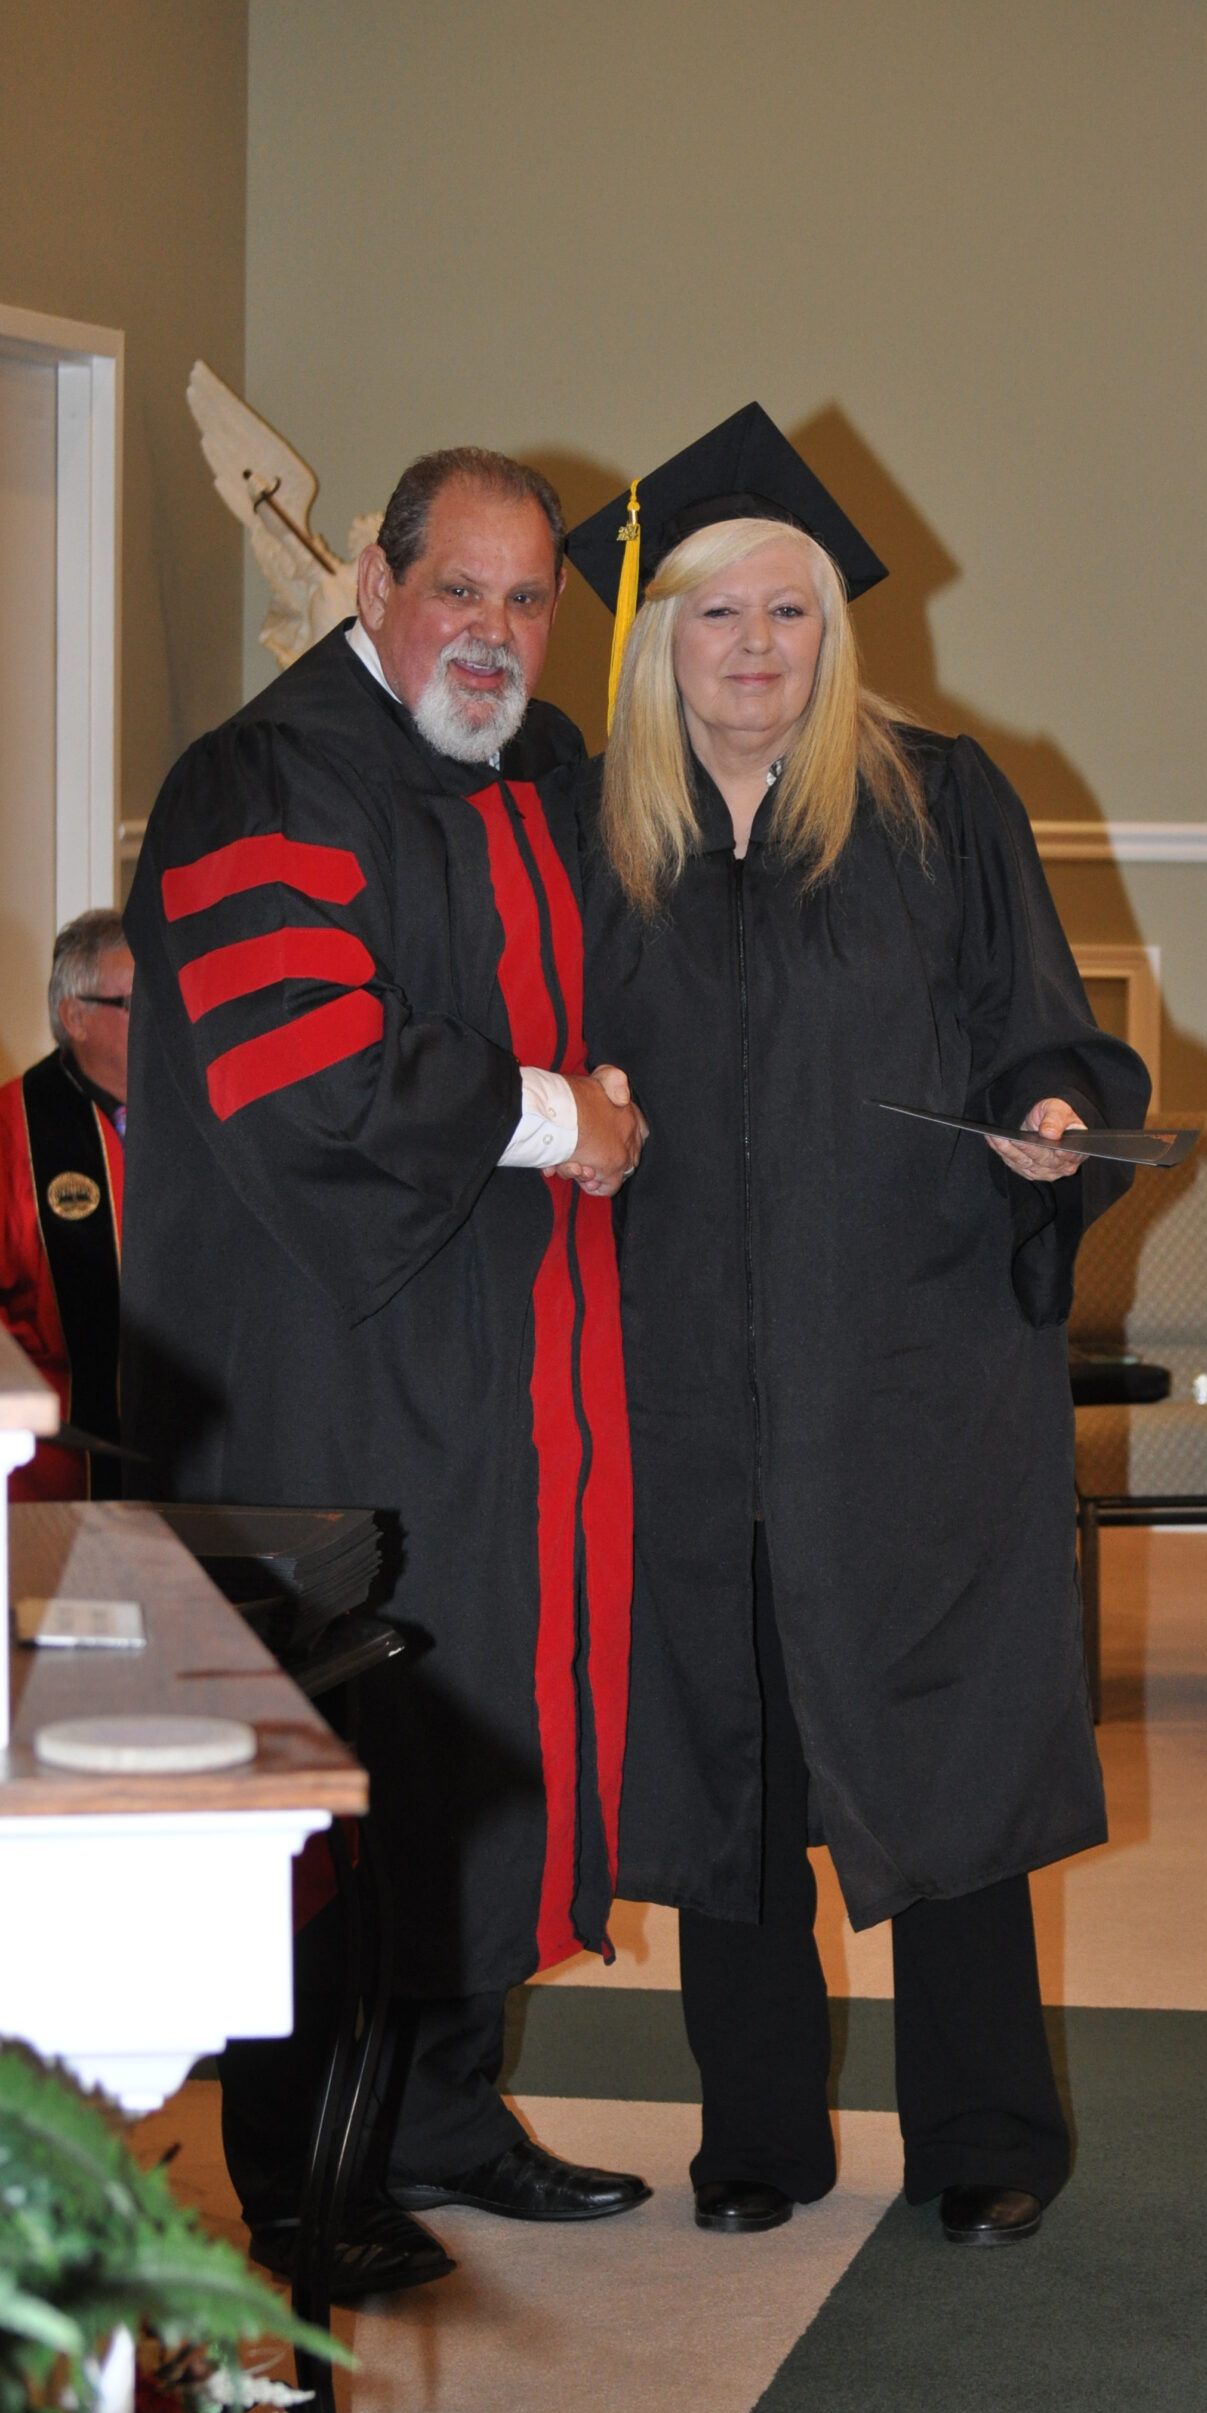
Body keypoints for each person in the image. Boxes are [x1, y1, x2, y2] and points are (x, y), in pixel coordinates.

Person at [560, 406, 1151, 2247]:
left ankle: (986, 2140)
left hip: (906, 1367)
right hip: (676, 1374)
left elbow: (1043, 1025)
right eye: (716, 615)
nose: (753, 647)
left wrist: (1049, 1117)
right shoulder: (592, 832)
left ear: (835, 635)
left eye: (788, 614)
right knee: (731, 1753)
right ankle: (759, 2135)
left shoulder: (939, 801)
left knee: (938, 1746)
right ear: (658, 643)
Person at [123, 448, 651, 2299]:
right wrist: (552, 1117)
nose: (494, 636)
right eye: (460, 591)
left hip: (501, 1353)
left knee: (485, 1717)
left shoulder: (534, 773)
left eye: (527, 603)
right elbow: (304, 1064)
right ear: (370, 575)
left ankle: (440, 2116)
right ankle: (302, 2174)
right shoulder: (262, 780)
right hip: (324, 1356)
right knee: (341, 1747)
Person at [1, 910, 131, 1500]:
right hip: (55, 1466)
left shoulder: (196, 1117)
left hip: (193, 1450)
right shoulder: (13, 1128)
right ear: (74, 1016)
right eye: (132, 1002)